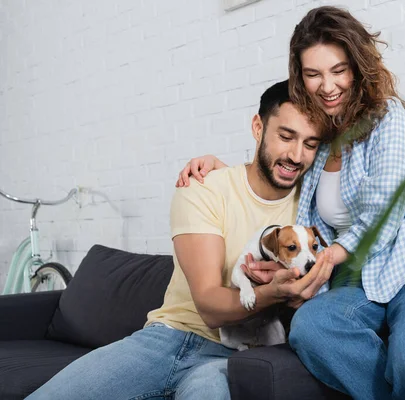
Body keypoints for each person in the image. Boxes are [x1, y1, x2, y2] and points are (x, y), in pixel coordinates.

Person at [177, 6, 405, 400]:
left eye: (338, 70)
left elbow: (383, 212)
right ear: (301, 77)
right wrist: (226, 172)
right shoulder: (319, 142)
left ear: (358, 67)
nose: (327, 86)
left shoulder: (388, 119)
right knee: (310, 329)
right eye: (313, 74)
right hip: (355, 287)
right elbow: (285, 182)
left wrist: (329, 257)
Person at [26, 80, 334, 400]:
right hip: (169, 338)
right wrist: (275, 291)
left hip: (240, 353)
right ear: (258, 127)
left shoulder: (311, 207)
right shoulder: (204, 188)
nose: (296, 155)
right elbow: (210, 307)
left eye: (310, 144)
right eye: (286, 136)